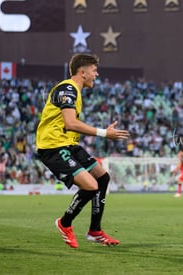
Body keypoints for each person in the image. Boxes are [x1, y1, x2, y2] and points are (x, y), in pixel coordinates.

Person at [36, 53, 129, 249]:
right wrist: (104, 133)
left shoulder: (75, 92)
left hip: (68, 145)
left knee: (102, 177)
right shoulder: (67, 89)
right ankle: (64, 223)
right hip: (53, 146)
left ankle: (95, 231)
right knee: (90, 185)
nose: (97, 74)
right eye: (94, 70)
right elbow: (70, 123)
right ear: (83, 72)